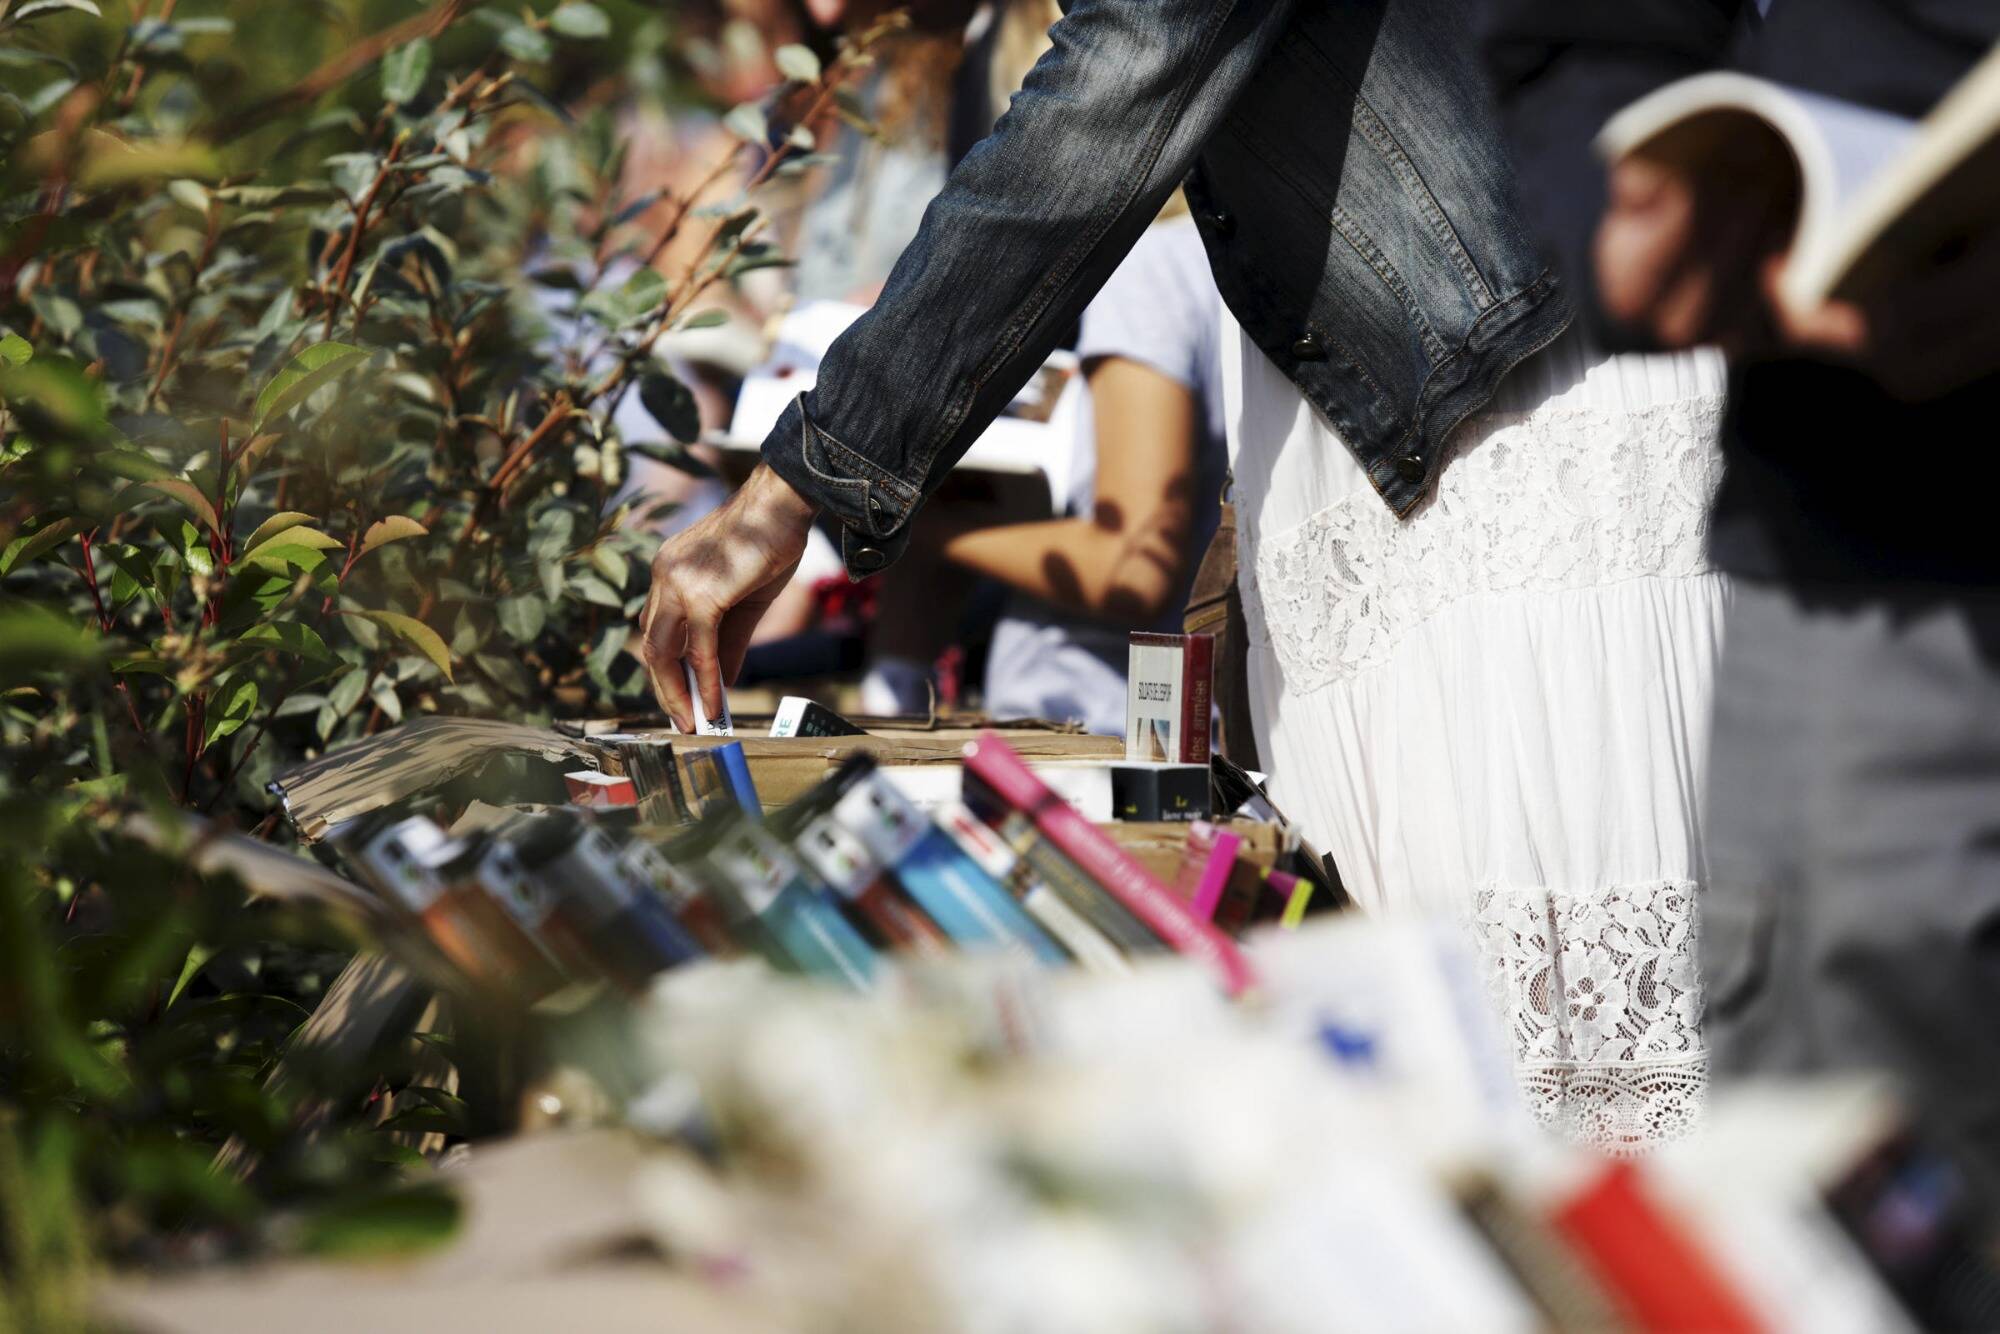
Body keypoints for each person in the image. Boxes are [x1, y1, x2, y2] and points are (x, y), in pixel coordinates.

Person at [638, 0, 1724, 1145]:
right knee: (1431, 1079)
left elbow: (1120, 74)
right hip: (1419, 424)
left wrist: (794, 483)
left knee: (1535, 1098)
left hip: (1515, 454)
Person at [1482, 0, 2000, 1177]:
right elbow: (1586, 38)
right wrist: (1618, 180)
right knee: (1858, 1205)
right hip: (1885, 561)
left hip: (1880, 624)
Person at [949, 203, 1227, 734]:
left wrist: (931, 531)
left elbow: (1132, 567)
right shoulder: (1258, 268)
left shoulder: (1152, 268)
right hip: (1197, 715)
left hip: (1092, 721)